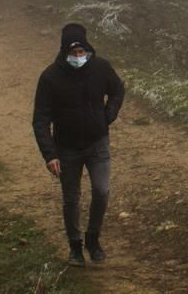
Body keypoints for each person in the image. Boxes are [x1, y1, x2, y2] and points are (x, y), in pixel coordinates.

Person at [32, 23, 125, 267]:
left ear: (87, 49)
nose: (78, 57)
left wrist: (108, 115)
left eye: (81, 51)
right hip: (66, 148)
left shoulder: (101, 67)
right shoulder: (50, 77)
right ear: (64, 52)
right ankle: (75, 247)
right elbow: (40, 119)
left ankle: (93, 240)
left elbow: (118, 90)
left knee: (102, 191)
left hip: (98, 143)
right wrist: (50, 155)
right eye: (73, 52)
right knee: (71, 199)